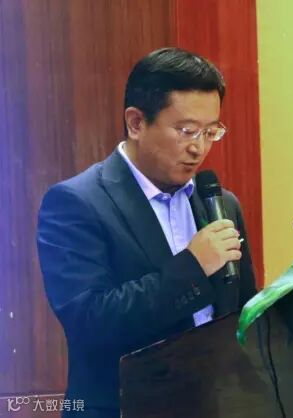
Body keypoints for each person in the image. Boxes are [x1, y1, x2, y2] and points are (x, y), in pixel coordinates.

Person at [36, 47, 257, 418]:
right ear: (136, 123)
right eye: (186, 131)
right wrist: (193, 267)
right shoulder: (76, 203)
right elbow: (91, 322)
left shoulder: (220, 204)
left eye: (210, 132)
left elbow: (243, 312)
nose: (198, 147)